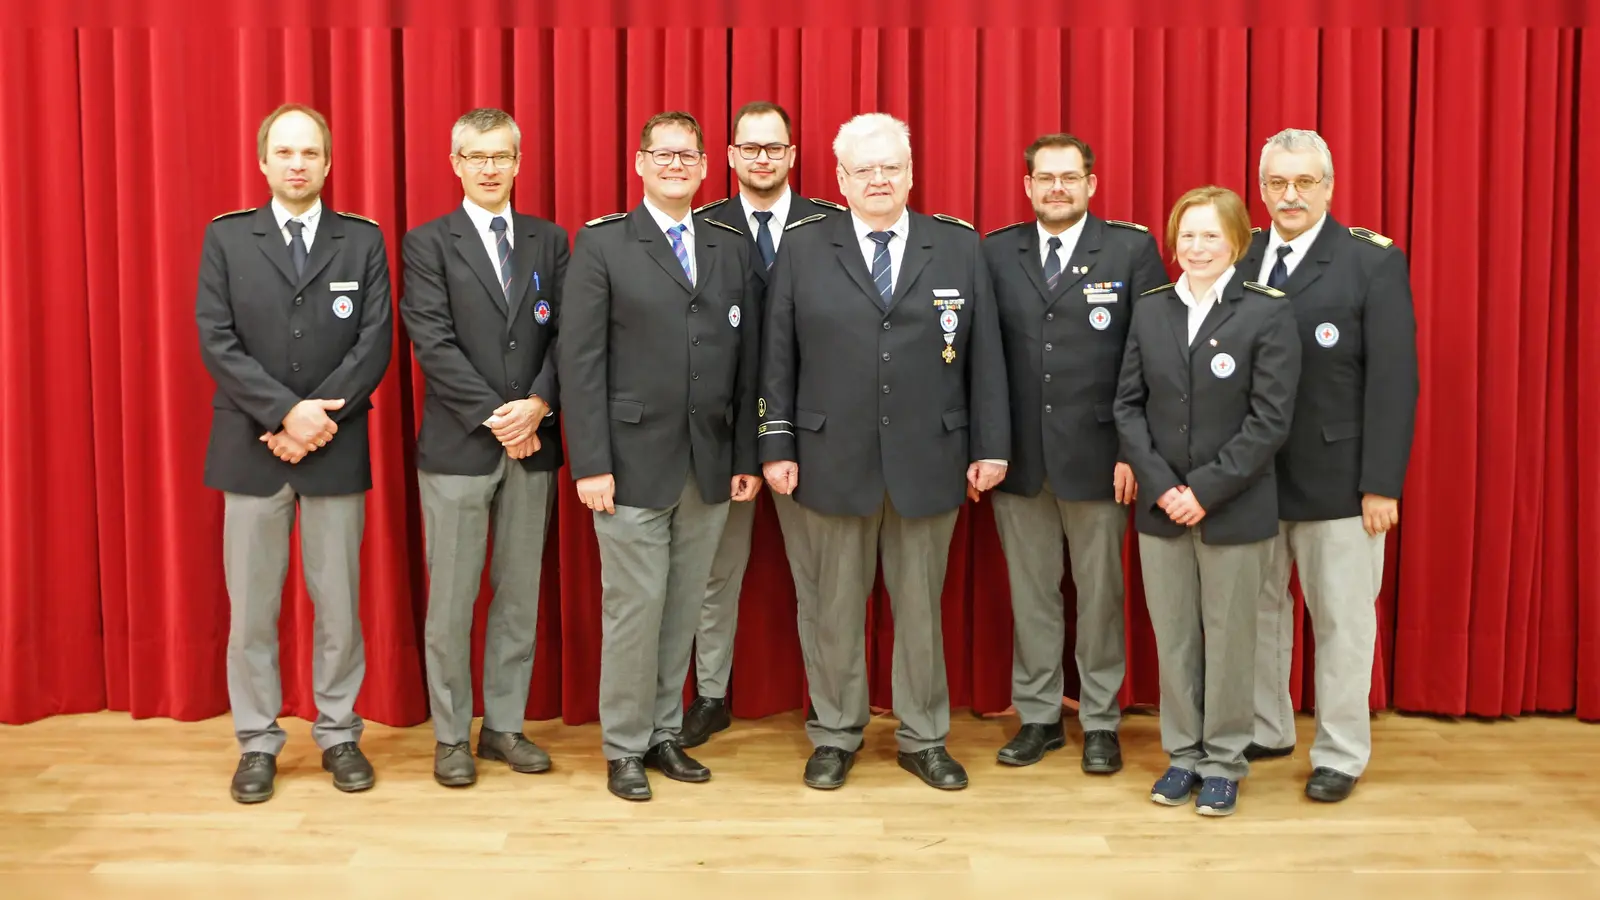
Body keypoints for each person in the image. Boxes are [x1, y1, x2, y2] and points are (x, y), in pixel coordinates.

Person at [759, 112, 1010, 792]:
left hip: (931, 456)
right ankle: (835, 733)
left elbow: (985, 356)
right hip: (828, 457)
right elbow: (776, 354)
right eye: (863, 169)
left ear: (910, 173)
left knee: (921, 606)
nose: (878, 179)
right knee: (834, 606)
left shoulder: (956, 247)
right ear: (839, 179)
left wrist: (991, 444)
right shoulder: (804, 248)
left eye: (890, 167)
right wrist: (775, 441)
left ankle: (923, 737)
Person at [557, 111, 763, 801]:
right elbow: (579, 362)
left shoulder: (729, 247)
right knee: (635, 609)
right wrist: (590, 463)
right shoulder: (605, 244)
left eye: (688, 155)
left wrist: (742, 455)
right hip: (628, 463)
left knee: (682, 609)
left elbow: (746, 364)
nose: (676, 165)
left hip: (707, 466)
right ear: (640, 162)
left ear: (707, 168)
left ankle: (663, 734)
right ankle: (622, 745)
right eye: (663, 154)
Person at [195, 103, 392, 804]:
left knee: (338, 602)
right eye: (285, 152)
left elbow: (374, 343)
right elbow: (216, 338)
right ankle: (257, 741)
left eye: (310, 153)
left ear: (328, 163)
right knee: (251, 607)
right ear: (264, 162)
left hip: (333, 446)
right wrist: (283, 414)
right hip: (252, 447)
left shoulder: (361, 240)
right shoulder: (227, 238)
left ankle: (338, 733)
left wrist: (316, 420)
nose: (298, 163)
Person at [1113, 185, 1301, 816]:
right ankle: (1182, 756)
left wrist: (1206, 491)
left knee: (1229, 639)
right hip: (1161, 509)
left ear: (1238, 243)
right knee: (1175, 637)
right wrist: (1164, 486)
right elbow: (1127, 406)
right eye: (1187, 236)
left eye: (1211, 236)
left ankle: (1224, 760)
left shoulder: (1267, 313)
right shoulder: (1152, 308)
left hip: (1233, 509)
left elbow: (1269, 422)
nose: (1196, 248)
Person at [981, 133, 1167, 773]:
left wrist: (1131, 450)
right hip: (1019, 461)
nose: (1056, 187)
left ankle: (1099, 721)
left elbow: (1152, 356)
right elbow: (983, 361)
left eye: (1069, 176)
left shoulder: (1131, 249)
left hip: (1100, 458)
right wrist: (988, 447)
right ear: (1027, 185)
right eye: (1044, 177)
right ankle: (1037, 716)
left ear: (1092, 182)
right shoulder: (996, 252)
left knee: (1100, 595)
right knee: (1031, 594)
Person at [1243, 128, 1419, 803]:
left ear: (1329, 187)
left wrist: (1381, 483)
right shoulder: (1243, 254)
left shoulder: (1370, 263)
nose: (1291, 196)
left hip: (1342, 483)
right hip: (1255, 479)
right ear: (1262, 191)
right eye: (1278, 184)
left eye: (1304, 182)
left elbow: (1394, 381)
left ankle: (1341, 752)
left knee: (1342, 622)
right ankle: (1268, 725)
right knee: (1259, 610)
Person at [398, 107, 568, 788]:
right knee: (452, 601)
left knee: (518, 597)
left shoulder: (549, 240)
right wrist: (498, 416)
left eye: (501, 156)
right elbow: (430, 340)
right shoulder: (427, 243)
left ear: (519, 163)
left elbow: (569, 335)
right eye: (477, 157)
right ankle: (450, 735)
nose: (490, 168)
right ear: (456, 165)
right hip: (460, 447)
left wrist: (539, 405)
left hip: (534, 443)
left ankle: (502, 727)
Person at [682, 100, 846, 747]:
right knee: (714, 577)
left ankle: (827, 704)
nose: (761, 158)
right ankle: (713, 694)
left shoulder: (830, 225)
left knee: (822, 580)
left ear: (793, 155)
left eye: (773, 147)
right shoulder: (701, 226)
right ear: (729, 157)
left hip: (810, 434)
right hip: (723, 439)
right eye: (749, 148)